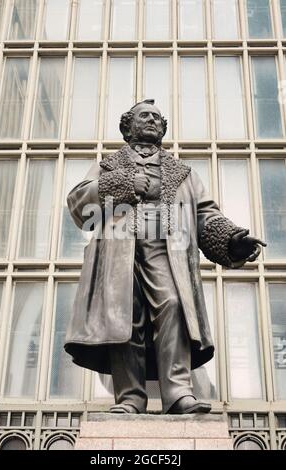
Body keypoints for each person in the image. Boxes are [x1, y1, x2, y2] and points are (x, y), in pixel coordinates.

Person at [64, 99, 266, 414]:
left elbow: (206, 215)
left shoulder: (183, 174)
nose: (153, 121)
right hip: (120, 250)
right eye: (145, 116)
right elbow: (79, 205)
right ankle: (130, 397)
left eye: (158, 118)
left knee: (173, 304)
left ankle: (178, 393)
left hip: (166, 250)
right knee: (125, 316)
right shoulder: (108, 166)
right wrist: (124, 184)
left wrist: (230, 239)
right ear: (127, 126)